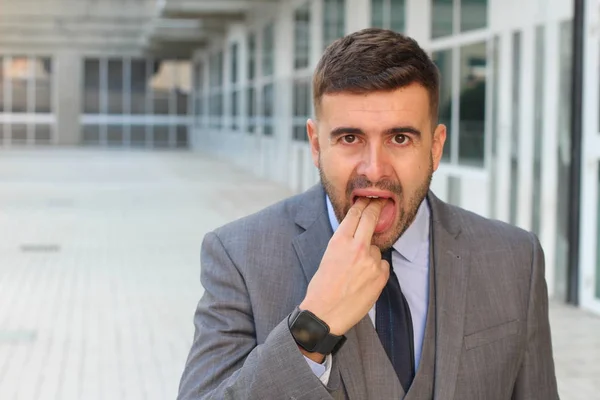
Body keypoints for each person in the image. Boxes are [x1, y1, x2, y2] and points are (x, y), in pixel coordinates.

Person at [177, 28, 559, 400]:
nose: (374, 169)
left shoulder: (515, 259)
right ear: (315, 145)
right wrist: (312, 328)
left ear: (436, 147)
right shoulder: (239, 256)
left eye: (400, 138)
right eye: (350, 138)